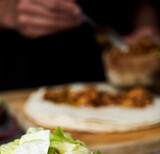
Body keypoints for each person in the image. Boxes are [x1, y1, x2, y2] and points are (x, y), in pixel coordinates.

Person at [0, 0, 160, 90]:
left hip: (127, 84)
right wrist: (6, 10)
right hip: (25, 80)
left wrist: (147, 31)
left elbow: (142, 3)